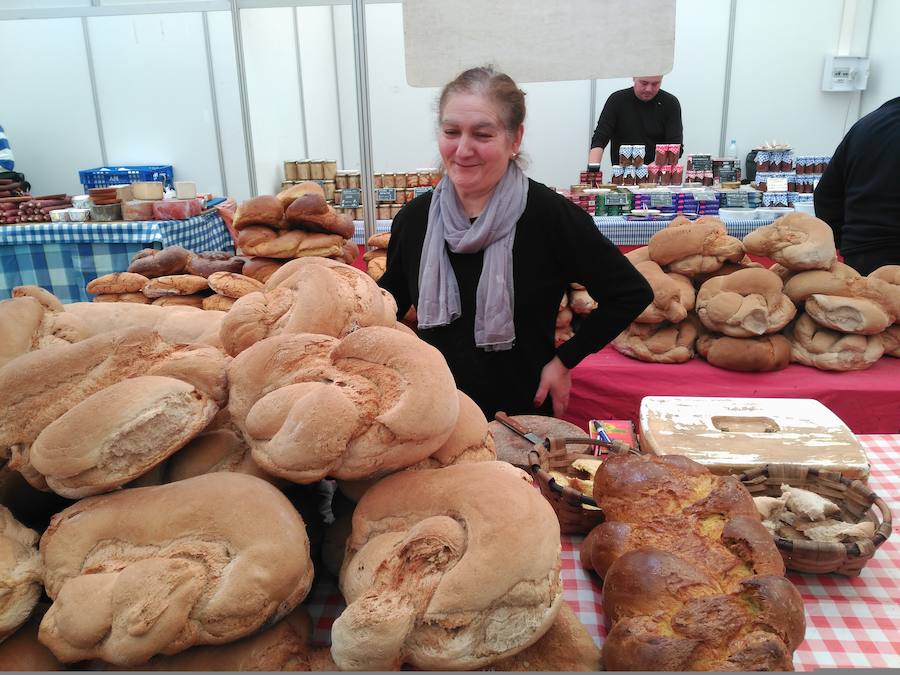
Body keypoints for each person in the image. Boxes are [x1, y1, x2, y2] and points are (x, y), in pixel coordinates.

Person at [378, 66, 653, 420]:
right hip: (434, 415)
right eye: (451, 131)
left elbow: (630, 293)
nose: (463, 149)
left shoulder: (548, 216)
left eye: (482, 134)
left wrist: (564, 360)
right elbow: (389, 304)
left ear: (515, 138)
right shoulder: (415, 220)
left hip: (520, 416)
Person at [814, 96, 900, 275]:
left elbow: (825, 194)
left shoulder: (868, 124)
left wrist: (842, 241)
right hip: (880, 244)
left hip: (861, 251)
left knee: (864, 300)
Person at [588, 76, 683, 166]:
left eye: (655, 84)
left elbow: (675, 148)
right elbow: (600, 139)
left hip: (658, 176)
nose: (649, 89)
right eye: (644, 83)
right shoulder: (617, 101)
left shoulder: (670, 104)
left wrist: (649, 171)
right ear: (634, 77)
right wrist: (593, 171)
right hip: (622, 177)